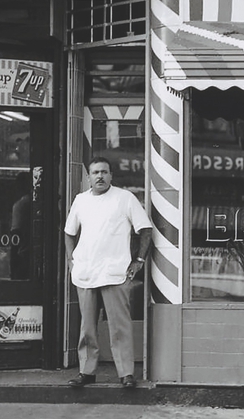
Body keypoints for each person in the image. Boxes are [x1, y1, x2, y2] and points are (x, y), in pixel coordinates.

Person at [64, 156, 152, 389]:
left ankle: (126, 374)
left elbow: (145, 229)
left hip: (115, 272)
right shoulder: (80, 201)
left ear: (111, 176)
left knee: (119, 326)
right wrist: (72, 260)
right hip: (86, 272)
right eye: (95, 173)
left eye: (104, 172)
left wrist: (139, 260)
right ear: (89, 177)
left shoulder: (125, 198)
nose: (100, 176)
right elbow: (69, 232)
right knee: (87, 328)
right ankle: (87, 371)